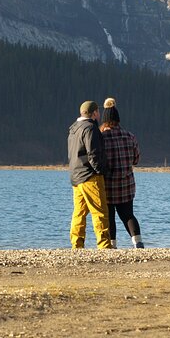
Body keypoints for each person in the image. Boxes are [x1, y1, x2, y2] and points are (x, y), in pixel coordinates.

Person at [67, 100, 113, 249]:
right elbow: (93, 153)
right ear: (94, 113)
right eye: (97, 112)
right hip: (90, 176)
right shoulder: (90, 128)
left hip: (76, 176)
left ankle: (77, 244)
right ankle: (104, 245)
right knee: (100, 211)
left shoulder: (74, 128)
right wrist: (101, 170)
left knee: (79, 213)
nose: (99, 114)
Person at [100, 98, 144, 248]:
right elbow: (136, 159)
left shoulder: (101, 138)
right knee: (128, 215)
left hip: (108, 185)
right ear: (118, 120)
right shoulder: (130, 136)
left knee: (110, 216)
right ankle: (138, 243)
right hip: (126, 184)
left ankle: (112, 245)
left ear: (105, 121)